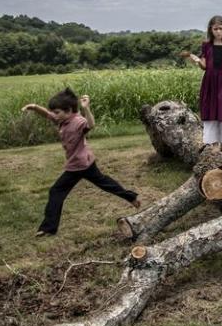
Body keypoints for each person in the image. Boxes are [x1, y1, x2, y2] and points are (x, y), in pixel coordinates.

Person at [22, 88, 139, 236]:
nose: (54, 115)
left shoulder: (78, 121)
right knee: (104, 182)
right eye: (54, 112)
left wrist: (86, 109)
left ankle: (48, 228)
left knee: (56, 191)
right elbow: (46, 114)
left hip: (80, 165)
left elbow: (91, 125)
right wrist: (34, 107)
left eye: (57, 112)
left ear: (69, 110)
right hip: (81, 163)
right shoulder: (62, 120)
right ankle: (131, 197)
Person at [187, 15, 222, 148]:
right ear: (211, 30)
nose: (218, 31)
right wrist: (197, 62)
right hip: (210, 83)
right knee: (210, 113)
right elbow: (205, 66)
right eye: (215, 29)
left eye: (221, 28)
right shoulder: (206, 45)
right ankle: (211, 148)